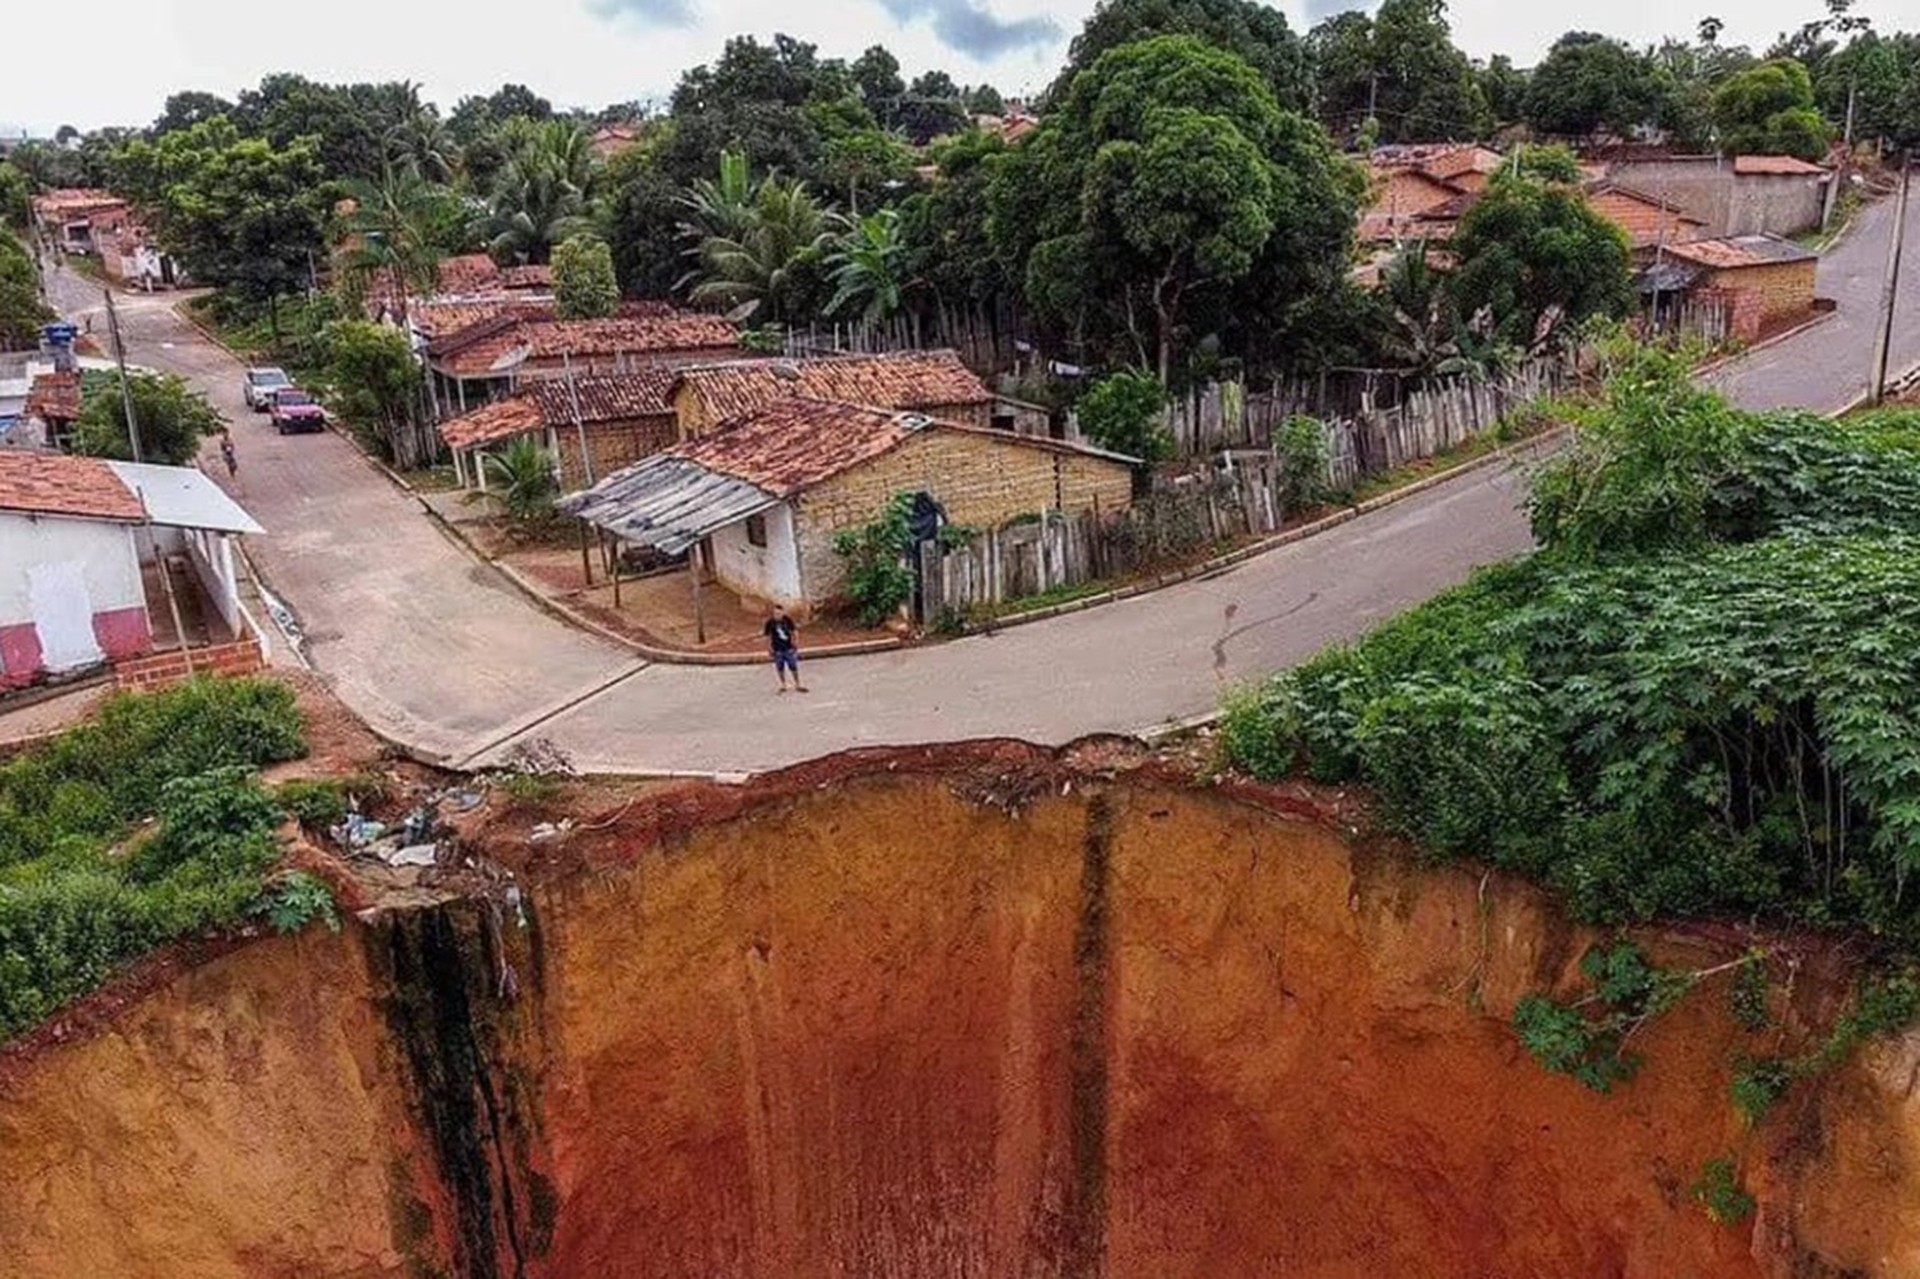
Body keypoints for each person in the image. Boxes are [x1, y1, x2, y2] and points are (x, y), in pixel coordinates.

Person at [764, 605, 807, 694]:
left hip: (788, 647)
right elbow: (768, 636)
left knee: (793, 666)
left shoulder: (787, 620)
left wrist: (795, 641)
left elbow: (794, 631)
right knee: (780, 667)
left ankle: (797, 683)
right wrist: (769, 648)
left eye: (779, 613)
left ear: (782, 613)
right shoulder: (770, 623)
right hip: (777, 648)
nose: (777, 615)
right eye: (775, 613)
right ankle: (783, 684)